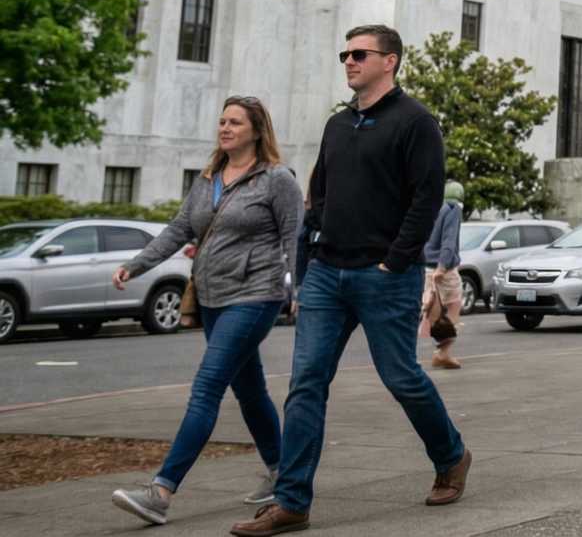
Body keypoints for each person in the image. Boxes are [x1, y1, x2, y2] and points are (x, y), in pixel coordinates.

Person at [233, 26, 471, 536]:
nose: (348, 61)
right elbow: (318, 193)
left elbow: (426, 199)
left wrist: (395, 260)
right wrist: (311, 254)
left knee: (401, 377)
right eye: (344, 53)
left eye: (359, 53)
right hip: (326, 275)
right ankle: (292, 502)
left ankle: (451, 456)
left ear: (390, 62)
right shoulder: (338, 125)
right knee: (306, 384)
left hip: (385, 276)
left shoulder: (416, 122)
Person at [109, 98, 301, 527]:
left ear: (256, 130)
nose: (225, 128)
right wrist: (136, 264)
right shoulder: (208, 178)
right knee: (249, 389)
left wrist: (298, 289)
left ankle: (160, 491)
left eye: (235, 122)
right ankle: (281, 472)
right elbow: (179, 229)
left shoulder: (276, 180)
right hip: (213, 297)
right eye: (222, 121)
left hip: (255, 295)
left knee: (207, 386)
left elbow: (294, 237)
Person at [419, 181, 466, 370]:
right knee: (453, 306)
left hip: (425, 266)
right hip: (443, 269)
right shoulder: (452, 209)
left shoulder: (432, 207)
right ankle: (443, 353)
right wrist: (443, 266)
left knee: (427, 311)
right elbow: (449, 241)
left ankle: (410, 356)